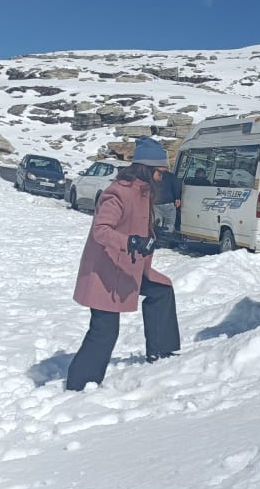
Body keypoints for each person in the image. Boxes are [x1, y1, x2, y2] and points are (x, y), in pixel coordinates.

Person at [66, 137, 180, 390]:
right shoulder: (118, 192)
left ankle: (162, 354)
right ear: (147, 169)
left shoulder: (143, 191)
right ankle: (79, 385)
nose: (162, 177)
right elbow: (101, 230)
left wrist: (152, 237)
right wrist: (131, 242)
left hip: (128, 269)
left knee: (162, 290)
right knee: (104, 330)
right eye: (160, 172)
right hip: (105, 273)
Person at [150, 162, 182, 242]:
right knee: (170, 223)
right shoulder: (171, 176)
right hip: (169, 203)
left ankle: (156, 240)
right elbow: (176, 187)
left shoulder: (152, 176)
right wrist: (177, 198)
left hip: (156, 203)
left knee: (157, 223)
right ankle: (167, 240)